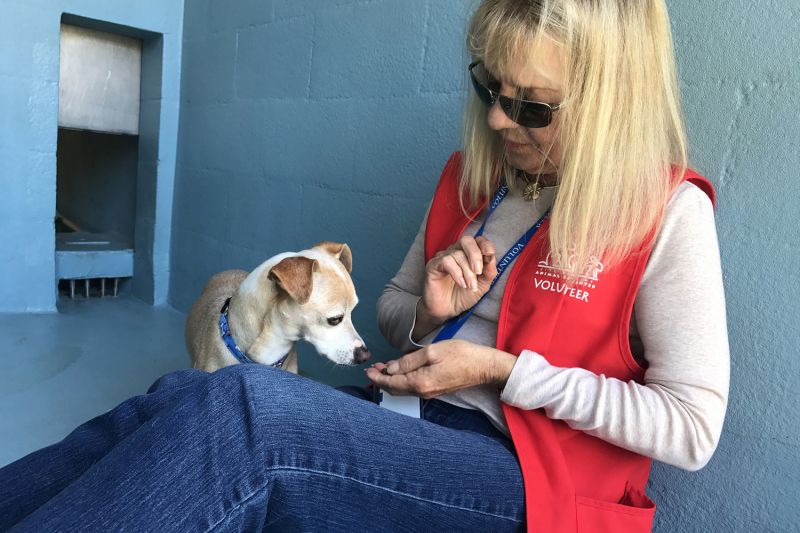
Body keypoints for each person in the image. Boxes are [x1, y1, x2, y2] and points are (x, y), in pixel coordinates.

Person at [0, 0, 729, 531]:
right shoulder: (473, 177)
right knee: (172, 397)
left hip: (534, 483)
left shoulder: (667, 213)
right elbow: (395, 314)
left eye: (533, 107)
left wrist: (503, 370)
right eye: (489, 89)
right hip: (412, 420)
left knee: (245, 411)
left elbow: (692, 427)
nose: (500, 120)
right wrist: (430, 313)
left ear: (609, 104)